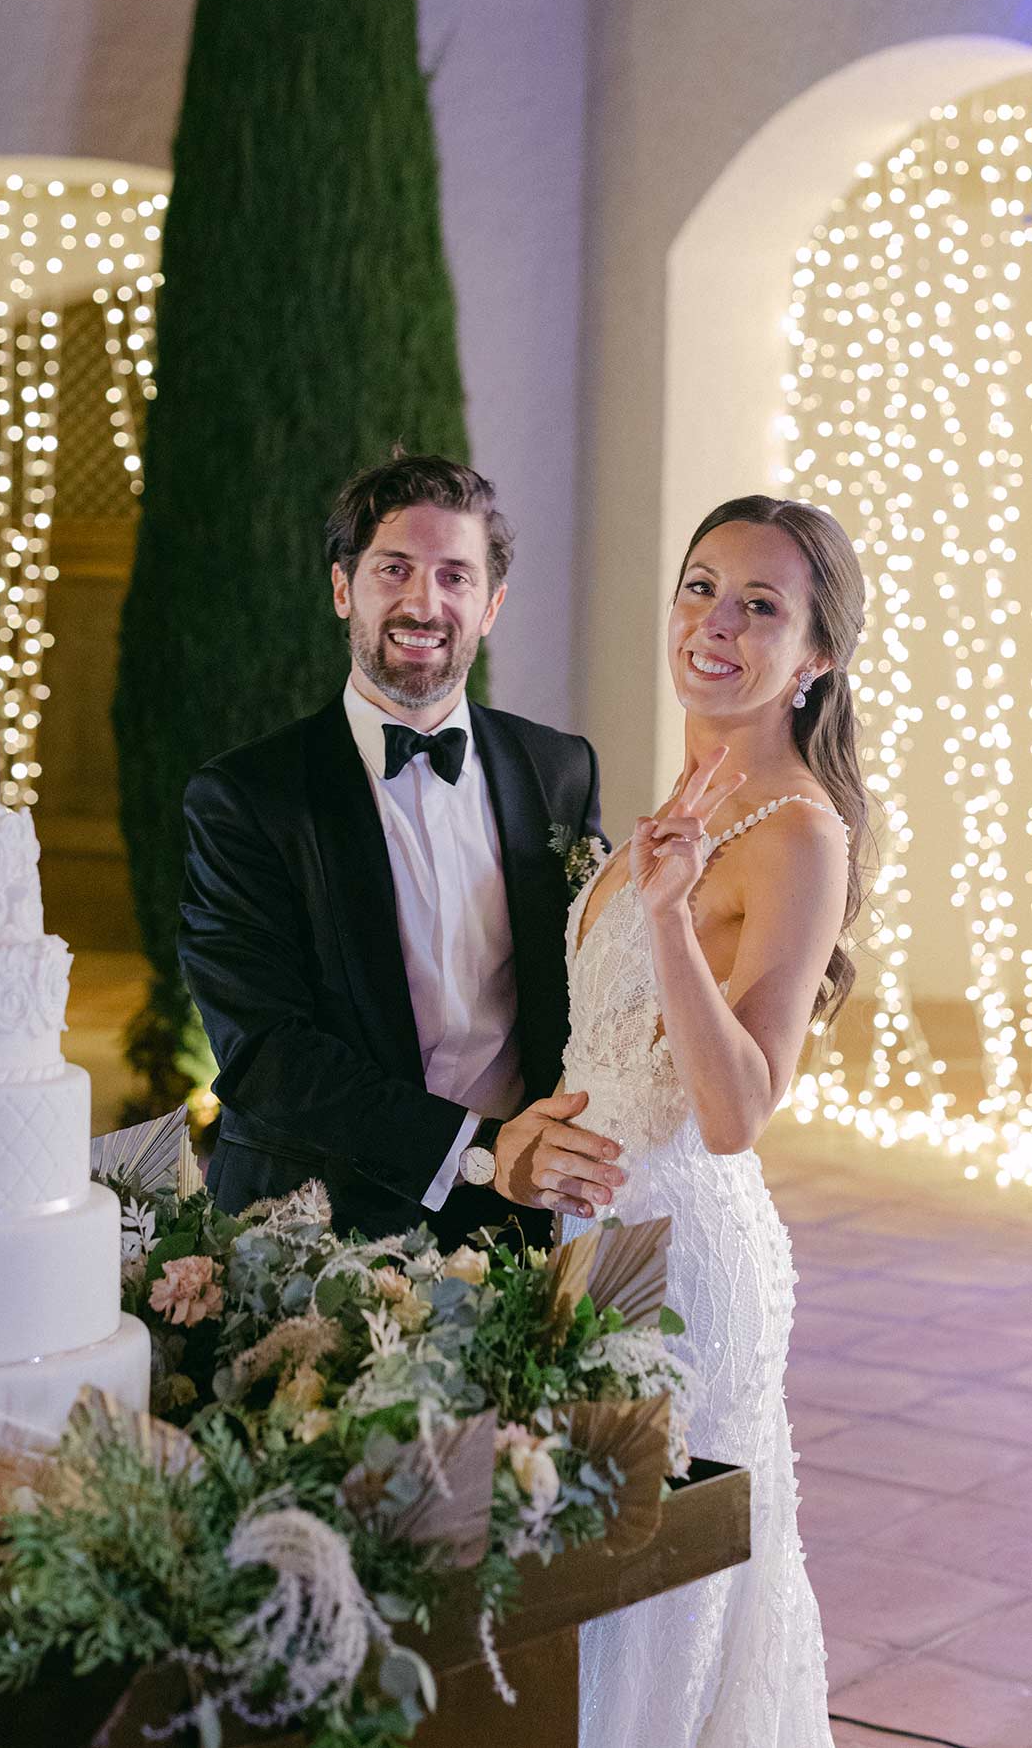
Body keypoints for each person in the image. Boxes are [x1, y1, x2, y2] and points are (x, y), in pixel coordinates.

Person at [563, 494, 870, 1747]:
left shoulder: (799, 832)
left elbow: (738, 1108)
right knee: (582, 1598)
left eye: (760, 606)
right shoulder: (692, 789)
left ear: (815, 658)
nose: (716, 623)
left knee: (651, 1622)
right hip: (588, 1243)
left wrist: (678, 918)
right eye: (701, 586)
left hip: (683, 1267)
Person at [177, 452, 624, 1249]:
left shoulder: (560, 770)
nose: (425, 601)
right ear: (344, 588)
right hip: (314, 1226)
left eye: (456, 576)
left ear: (491, 606)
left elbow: (596, 986)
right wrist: (479, 1152)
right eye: (395, 569)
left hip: (519, 1226)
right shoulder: (246, 798)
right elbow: (266, 1054)